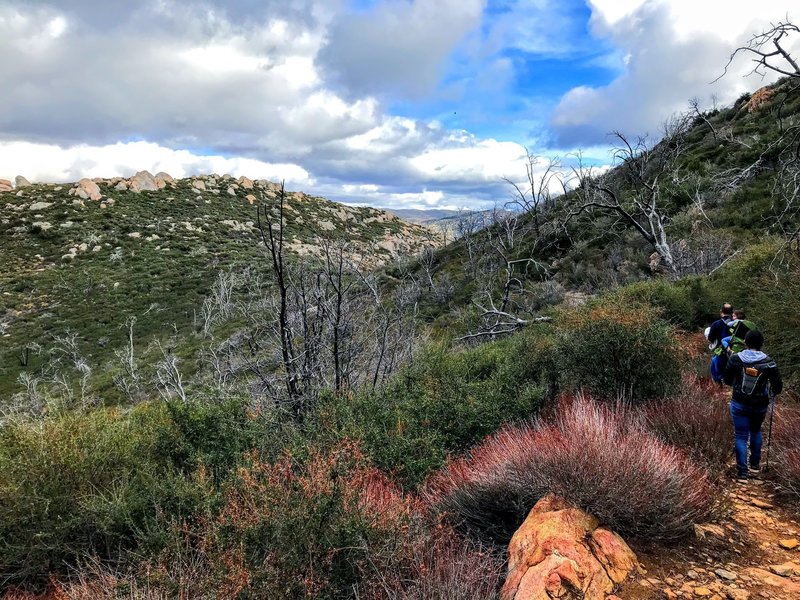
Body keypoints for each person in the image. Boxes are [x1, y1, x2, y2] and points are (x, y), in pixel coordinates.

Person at [723, 330, 783, 482]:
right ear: (761, 343)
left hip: (739, 403)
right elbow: (778, 387)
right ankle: (755, 466)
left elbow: (727, 380)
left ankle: (742, 473)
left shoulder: (736, 359)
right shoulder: (769, 362)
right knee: (756, 431)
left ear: (746, 342)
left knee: (741, 436)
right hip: (759, 405)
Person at [706, 303, 734, 383]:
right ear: (732, 313)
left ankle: (720, 391)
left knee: (717, 375)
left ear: (721, 311)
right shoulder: (737, 324)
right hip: (734, 352)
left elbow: (710, 339)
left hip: (719, 352)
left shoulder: (716, 324)